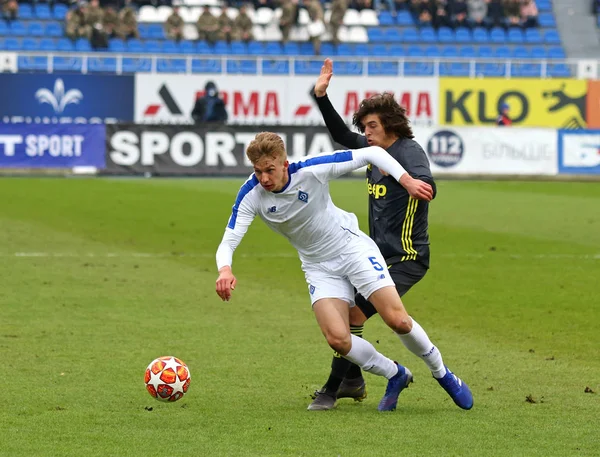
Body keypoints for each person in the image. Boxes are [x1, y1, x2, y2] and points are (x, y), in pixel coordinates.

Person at [216, 132, 445, 412]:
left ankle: (442, 373)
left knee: (397, 320)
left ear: (284, 163)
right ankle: (395, 374)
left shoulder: (310, 169)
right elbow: (228, 240)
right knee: (338, 338)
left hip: (351, 248)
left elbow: (371, 154)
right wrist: (224, 269)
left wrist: (406, 180)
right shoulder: (251, 194)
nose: (264, 178)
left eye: (270, 170)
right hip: (317, 266)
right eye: (258, 171)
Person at [308, 58, 474, 411]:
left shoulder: (408, 151)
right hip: (374, 255)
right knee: (352, 316)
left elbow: (423, 180)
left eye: (372, 126)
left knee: (377, 318)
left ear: (391, 125)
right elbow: (341, 136)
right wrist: (321, 97)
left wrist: (419, 185)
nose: (366, 133)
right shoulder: (375, 152)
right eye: (364, 127)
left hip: (407, 257)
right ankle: (349, 382)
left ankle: (440, 374)